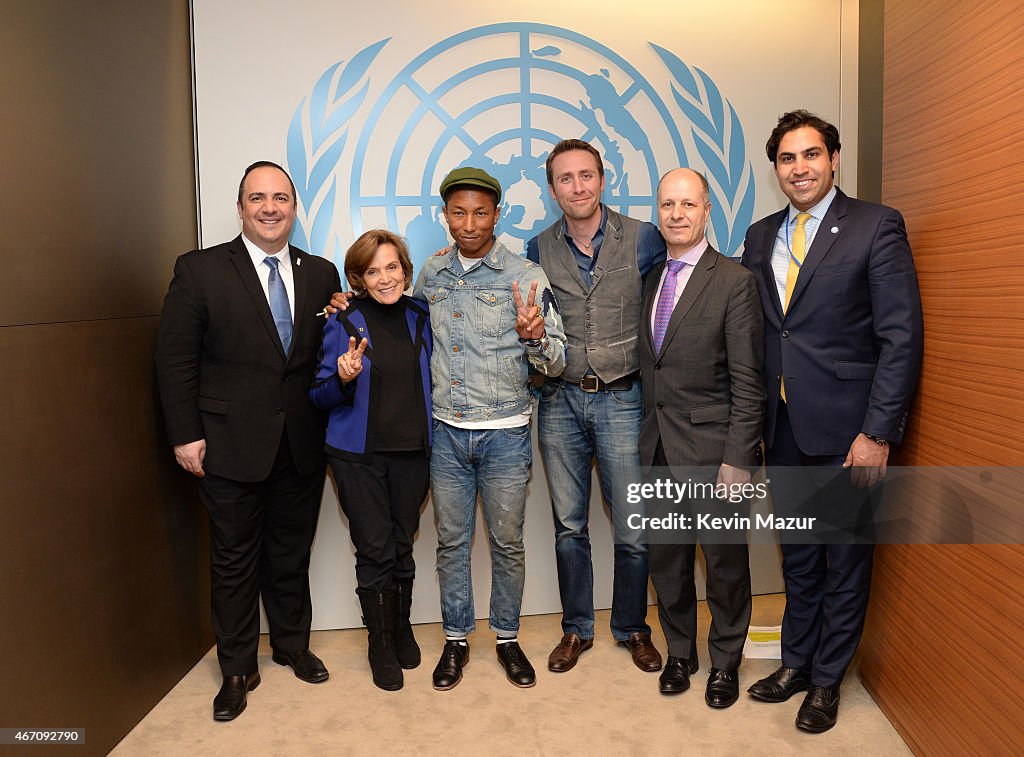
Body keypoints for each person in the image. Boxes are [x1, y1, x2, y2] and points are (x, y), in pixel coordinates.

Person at [741, 111, 923, 732]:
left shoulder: (876, 225)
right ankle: (796, 662)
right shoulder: (760, 235)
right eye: (788, 159)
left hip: (850, 430)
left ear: (834, 158)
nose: (800, 168)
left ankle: (827, 681)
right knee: (798, 557)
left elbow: (900, 337)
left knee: (844, 558)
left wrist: (877, 434)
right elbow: (766, 331)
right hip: (783, 425)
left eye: (811, 155)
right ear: (776, 170)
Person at [155, 161, 341, 720]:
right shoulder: (200, 270)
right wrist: (185, 434)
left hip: (301, 442)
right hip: (228, 443)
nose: (269, 207)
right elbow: (175, 360)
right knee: (234, 560)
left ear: (293, 206)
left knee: (290, 552)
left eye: (280, 197)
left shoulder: (322, 272)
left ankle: (290, 643)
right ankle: (237, 666)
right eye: (257, 197)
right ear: (239, 207)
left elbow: (320, 358)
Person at [414, 167, 566, 690]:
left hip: (505, 433)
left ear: (497, 215)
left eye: (481, 212)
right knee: (451, 544)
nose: (470, 223)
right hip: (446, 433)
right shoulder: (431, 275)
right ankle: (455, 641)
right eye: (459, 212)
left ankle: (507, 639)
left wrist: (535, 337)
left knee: (507, 543)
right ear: (446, 216)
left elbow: (557, 361)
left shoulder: (525, 276)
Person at [526, 139, 666, 674]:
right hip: (560, 401)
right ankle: (575, 629)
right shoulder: (538, 249)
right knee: (568, 527)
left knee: (632, 529)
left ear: (603, 180)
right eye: (566, 178)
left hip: (624, 399)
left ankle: (632, 627)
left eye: (586, 176)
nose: (577, 186)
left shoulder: (645, 238)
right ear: (552, 187)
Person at [640, 168, 765, 707]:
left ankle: (726, 662)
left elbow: (748, 380)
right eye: (667, 204)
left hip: (715, 453)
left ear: (707, 209)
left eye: (687, 204)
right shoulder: (650, 278)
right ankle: (680, 653)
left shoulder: (734, 281)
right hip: (657, 448)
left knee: (725, 565)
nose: (676, 214)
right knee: (666, 561)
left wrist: (739, 459)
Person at [309, 230, 431, 691]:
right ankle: (379, 642)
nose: (386, 278)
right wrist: (341, 377)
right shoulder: (343, 319)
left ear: (405, 268)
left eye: (393, 267)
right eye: (373, 271)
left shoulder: (422, 314)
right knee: (375, 549)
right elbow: (318, 394)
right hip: (357, 457)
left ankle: (401, 627)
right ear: (358, 278)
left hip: (413, 452)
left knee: (402, 543)